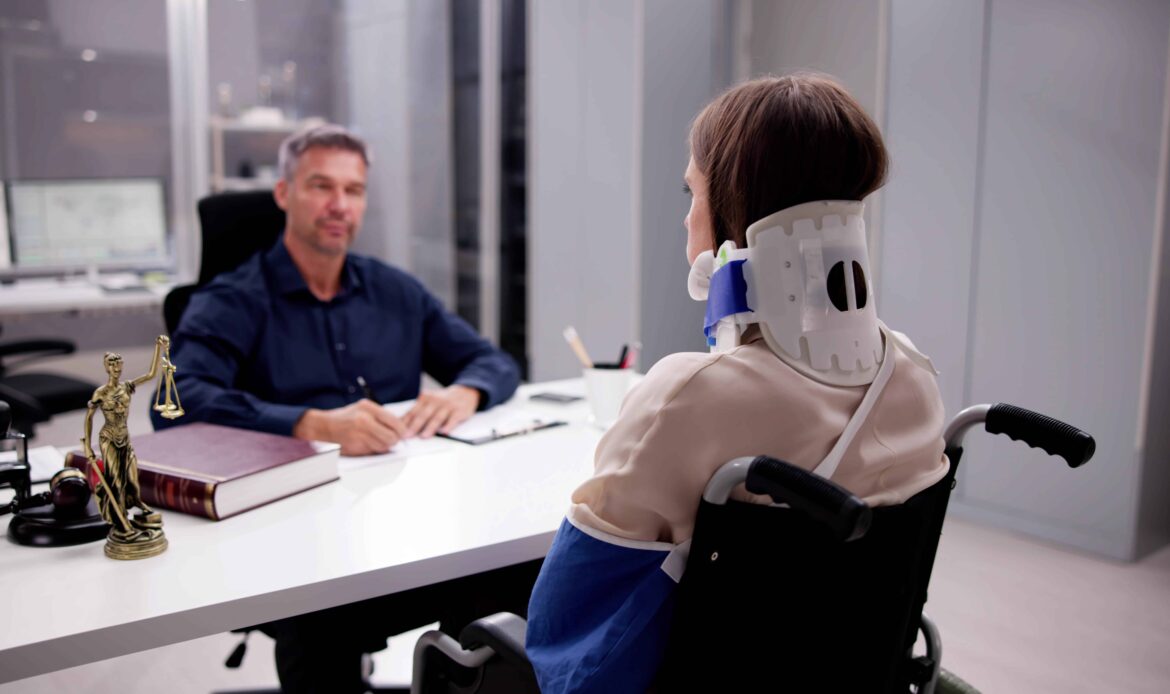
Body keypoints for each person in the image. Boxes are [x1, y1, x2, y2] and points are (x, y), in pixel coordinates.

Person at [525, 74, 950, 693]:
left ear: (732, 214)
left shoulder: (689, 394)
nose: (686, 215)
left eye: (692, 192)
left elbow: (577, 624)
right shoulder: (914, 373)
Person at [153, 124, 535, 692]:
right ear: (284, 193)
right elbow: (174, 403)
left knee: (514, 577)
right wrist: (307, 424)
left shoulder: (394, 291)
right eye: (320, 186)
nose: (339, 205)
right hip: (291, 537)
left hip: (399, 524)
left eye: (353, 191)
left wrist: (465, 391)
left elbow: (492, 362)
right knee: (322, 621)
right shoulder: (232, 301)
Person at [84, 337, 173, 556]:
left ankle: (137, 507)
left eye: (119, 365)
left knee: (132, 477)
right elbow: (89, 417)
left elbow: (151, 375)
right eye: (113, 365)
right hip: (109, 438)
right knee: (115, 480)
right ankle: (120, 520)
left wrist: (158, 348)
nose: (117, 368)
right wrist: (88, 446)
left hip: (125, 437)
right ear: (107, 368)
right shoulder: (101, 393)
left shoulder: (127, 387)